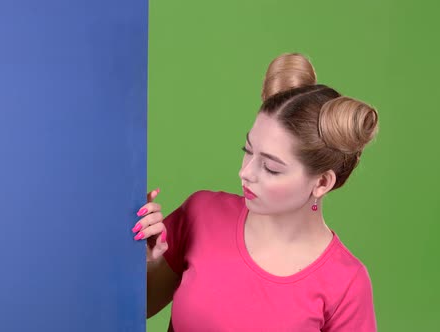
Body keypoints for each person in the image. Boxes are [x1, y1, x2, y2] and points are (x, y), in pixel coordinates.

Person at [133, 53, 379, 331]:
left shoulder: (346, 283)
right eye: (247, 151)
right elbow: (137, 309)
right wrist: (142, 262)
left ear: (322, 183)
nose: (246, 172)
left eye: (271, 167)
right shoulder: (201, 214)